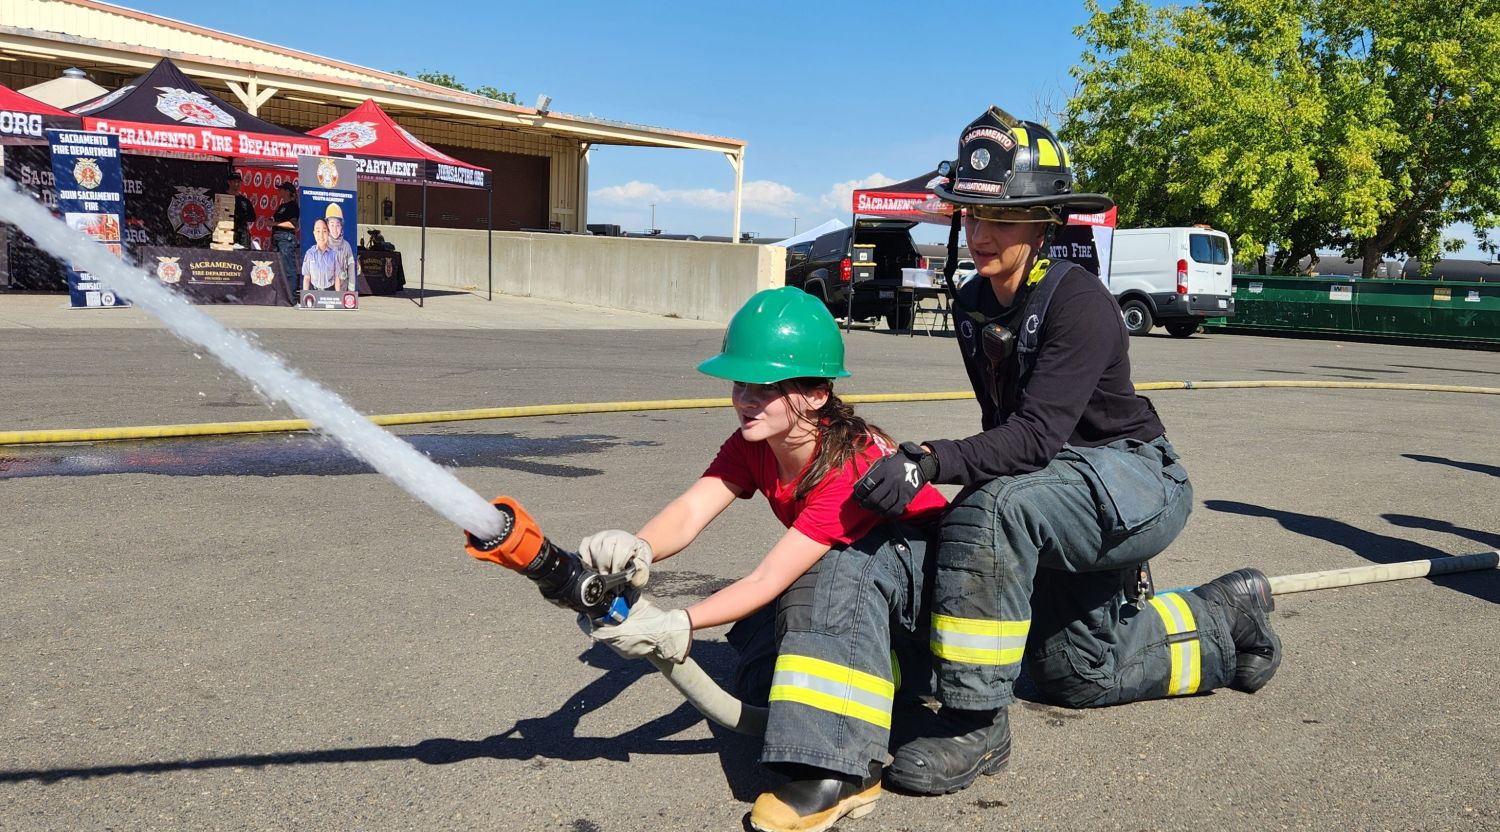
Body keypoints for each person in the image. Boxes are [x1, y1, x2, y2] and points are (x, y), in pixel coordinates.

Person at [850, 106, 1283, 796]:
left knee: (991, 515)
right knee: (1073, 676)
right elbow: (1006, 433)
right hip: (1056, 491)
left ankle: (976, 723)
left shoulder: (1076, 301)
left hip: (1135, 477)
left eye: (1003, 218)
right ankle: (1223, 617)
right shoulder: (973, 305)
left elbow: (1033, 437)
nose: (982, 232)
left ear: (1044, 220)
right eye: (971, 215)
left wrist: (927, 460)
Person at [585, 287, 948, 832]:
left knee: (819, 591)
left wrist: (676, 623)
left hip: (920, 583)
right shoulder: (755, 443)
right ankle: (884, 679)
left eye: (766, 386)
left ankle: (840, 772)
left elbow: (770, 575)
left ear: (817, 393)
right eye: (740, 383)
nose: (745, 399)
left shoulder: (851, 466)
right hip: (868, 579)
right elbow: (690, 510)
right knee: (764, 681)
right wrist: (637, 546)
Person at [270, 181, 300, 300]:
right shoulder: (282, 206)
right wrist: (270, 221)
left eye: (281, 189)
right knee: (279, 267)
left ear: (287, 191)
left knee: (288, 267)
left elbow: (293, 224)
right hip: (278, 237)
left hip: (286, 238)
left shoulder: (293, 206)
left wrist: (274, 223)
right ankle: (281, 295)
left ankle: (291, 296)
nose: (279, 191)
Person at [323, 202, 356, 292]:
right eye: (332, 225)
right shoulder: (323, 244)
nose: (335, 229)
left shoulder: (346, 246)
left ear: (341, 226)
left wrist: (351, 291)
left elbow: (351, 269)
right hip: (326, 292)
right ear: (328, 226)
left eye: (338, 225)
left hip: (342, 290)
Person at [300, 218, 340, 293]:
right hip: (314, 293)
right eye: (318, 231)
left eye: (324, 231)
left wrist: (338, 296)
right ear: (314, 233)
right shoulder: (309, 254)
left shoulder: (334, 255)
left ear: (328, 233)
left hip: (330, 294)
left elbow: (337, 277)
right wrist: (305, 296)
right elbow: (307, 278)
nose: (321, 235)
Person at [226, 172, 256, 248]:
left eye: (239, 182)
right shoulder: (222, 196)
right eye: (234, 181)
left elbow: (252, 217)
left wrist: (241, 217)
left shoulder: (244, 201)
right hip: (225, 232)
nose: (237, 184)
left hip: (242, 234)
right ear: (229, 182)